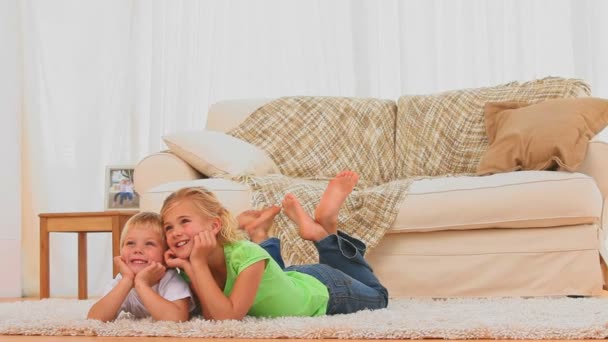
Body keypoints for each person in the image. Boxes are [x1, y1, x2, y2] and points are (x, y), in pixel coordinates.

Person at [161, 170, 388, 320]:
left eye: (184, 222)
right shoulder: (190, 269)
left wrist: (197, 264)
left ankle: (324, 232)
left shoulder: (245, 254)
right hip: (288, 276)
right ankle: (259, 231)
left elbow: (227, 317)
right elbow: (212, 316)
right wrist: (192, 268)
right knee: (269, 269)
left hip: (328, 291)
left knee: (379, 297)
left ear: (214, 226)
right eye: (168, 227)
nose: (175, 233)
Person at [87, 212, 195, 322]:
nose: (137, 250)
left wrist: (141, 284)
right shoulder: (122, 281)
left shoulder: (170, 279)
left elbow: (176, 319)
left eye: (149, 244)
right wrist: (127, 280)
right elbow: (94, 319)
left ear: (167, 254)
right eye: (130, 243)